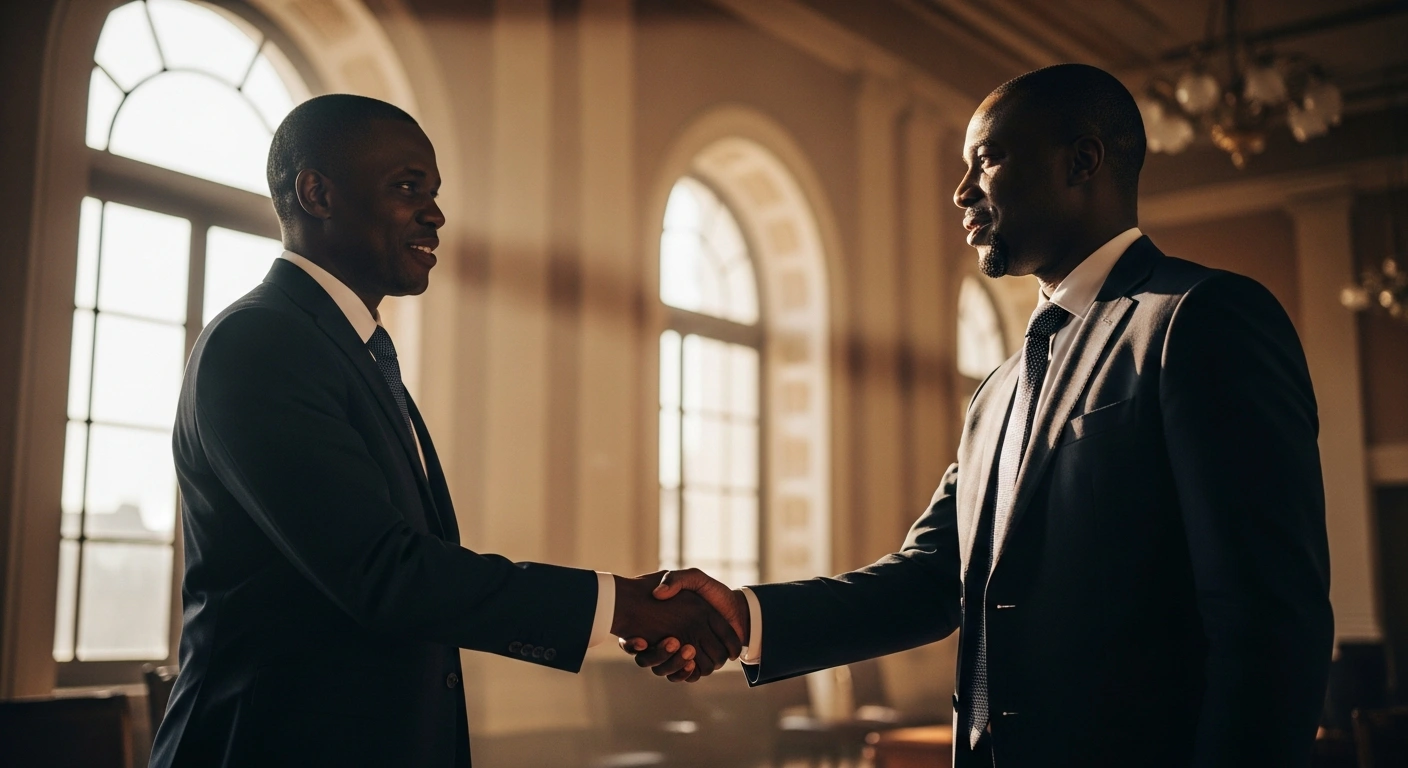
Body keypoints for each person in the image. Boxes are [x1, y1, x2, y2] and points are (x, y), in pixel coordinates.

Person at [626, 64, 1335, 768]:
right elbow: (932, 579)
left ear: (1081, 161)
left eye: (987, 159)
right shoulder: (996, 388)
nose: (961, 189)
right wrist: (743, 616)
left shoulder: (1202, 320)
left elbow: (1270, 621)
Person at [151, 94, 740, 768]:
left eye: (433, 192)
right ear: (316, 193)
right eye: (407, 187)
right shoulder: (260, 341)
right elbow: (385, 573)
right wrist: (623, 606)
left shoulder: (350, 351)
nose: (435, 213)